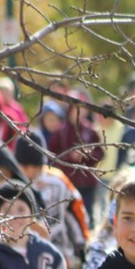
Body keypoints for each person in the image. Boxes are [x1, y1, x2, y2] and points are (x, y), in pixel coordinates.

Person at [14, 132, 90, 269]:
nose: (26, 170)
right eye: (21, 165)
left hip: (59, 250)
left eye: (30, 166)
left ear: (39, 164)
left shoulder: (58, 181)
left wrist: (81, 242)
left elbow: (75, 210)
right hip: (26, 253)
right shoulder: (14, 184)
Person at [48, 96, 105, 225]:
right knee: (68, 215)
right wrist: (69, 156)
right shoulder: (61, 131)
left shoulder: (91, 131)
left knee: (88, 214)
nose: (80, 112)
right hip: (66, 181)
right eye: (76, 109)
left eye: (83, 109)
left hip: (87, 181)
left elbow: (100, 153)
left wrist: (86, 154)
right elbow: (51, 155)